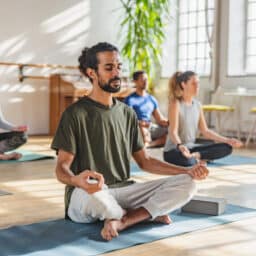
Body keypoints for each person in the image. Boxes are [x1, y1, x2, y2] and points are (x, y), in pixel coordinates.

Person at [51, 42, 209, 241]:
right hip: (87, 194)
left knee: (188, 184)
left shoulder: (127, 113)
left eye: (118, 67)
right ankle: (137, 214)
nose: (116, 73)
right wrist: (76, 180)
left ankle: (122, 219)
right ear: (92, 73)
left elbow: (145, 162)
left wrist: (187, 171)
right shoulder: (75, 114)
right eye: (109, 68)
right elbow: (61, 168)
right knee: (97, 196)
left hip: (124, 189)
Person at [163, 71, 243, 167]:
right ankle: (198, 159)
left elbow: (205, 131)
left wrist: (227, 140)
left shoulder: (197, 105)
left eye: (198, 83)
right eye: (193, 83)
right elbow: (173, 132)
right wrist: (180, 145)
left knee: (227, 147)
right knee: (186, 161)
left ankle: (196, 156)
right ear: (183, 84)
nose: (197, 86)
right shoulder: (175, 103)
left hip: (192, 148)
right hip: (174, 149)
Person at [124, 70, 168, 147]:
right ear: (135, 81)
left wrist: (170, 123)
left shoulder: (151, 99)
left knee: (172, 131)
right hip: (137, 127)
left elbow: (160, 119)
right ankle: (146, 141)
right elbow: (128, 120)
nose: (146, 81)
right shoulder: (130, 100)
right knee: (142, 129)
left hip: (150, 126)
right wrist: (141, 123)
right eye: (142, 79)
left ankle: (149, 144)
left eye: (146, 79)